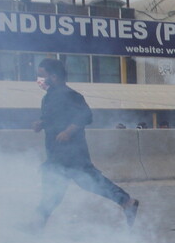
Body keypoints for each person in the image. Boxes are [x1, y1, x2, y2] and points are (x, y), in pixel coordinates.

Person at [31, 58, 139, 229]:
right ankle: (127, 202)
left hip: (73, 152)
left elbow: (85, 116)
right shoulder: (48, 97)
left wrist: (68, 131)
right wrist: (41, 123)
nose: (39, 79)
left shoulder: (71, 95)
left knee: (82, 182)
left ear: (54, 76)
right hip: (55, 151)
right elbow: (51, 119)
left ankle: (127, 202)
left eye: (41, 76)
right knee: (56, 186)